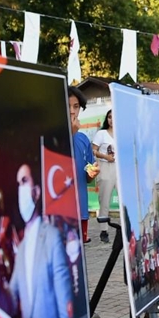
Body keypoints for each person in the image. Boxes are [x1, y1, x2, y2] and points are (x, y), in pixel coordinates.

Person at [8, 163, 73, 318]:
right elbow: (11, 297)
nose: (20, 188)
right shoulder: (21, 247)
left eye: (24, 181)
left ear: (36, 193)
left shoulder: (51, 238)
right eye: (18, 183)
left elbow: (64, 300)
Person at [68, 86, 97, 243]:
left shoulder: (83, 139)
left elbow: (88, 177)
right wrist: (70, 132)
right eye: (68, 106)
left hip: (81, 209)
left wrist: (92, 173)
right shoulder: (50, 136)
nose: (72, 111)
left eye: (76, 106)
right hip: (61, 212)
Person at [92, 109, 117, 243]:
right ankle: (104, 230)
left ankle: (127, 227)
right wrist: (106, 156)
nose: (111, 120)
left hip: (119, 168)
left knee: (125, 199)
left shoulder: (121, 133)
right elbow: (93, 150)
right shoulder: (101, 134)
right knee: (105, 200)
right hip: (105, 167)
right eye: (109, 117)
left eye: (114, 117)